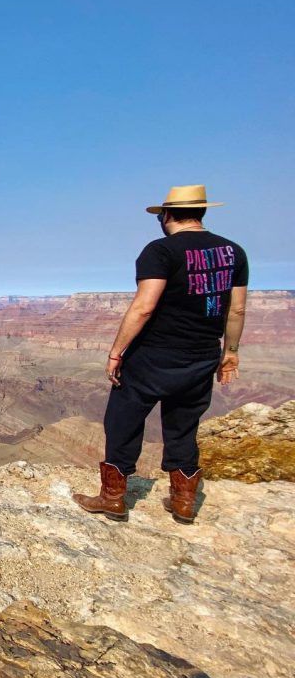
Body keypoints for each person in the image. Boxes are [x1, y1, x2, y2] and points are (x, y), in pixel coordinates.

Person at [72, 184, 248, 523]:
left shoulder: (160, 251)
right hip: (201, 356)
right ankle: (182, 503)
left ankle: (113, 499)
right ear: (202, 212)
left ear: (166, 215)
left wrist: (116, 352)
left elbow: (144, 307)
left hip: (152, 356)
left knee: (122, 421)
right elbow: (236, 311)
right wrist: (231, 353)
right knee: (183, 426)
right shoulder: (233, 252)